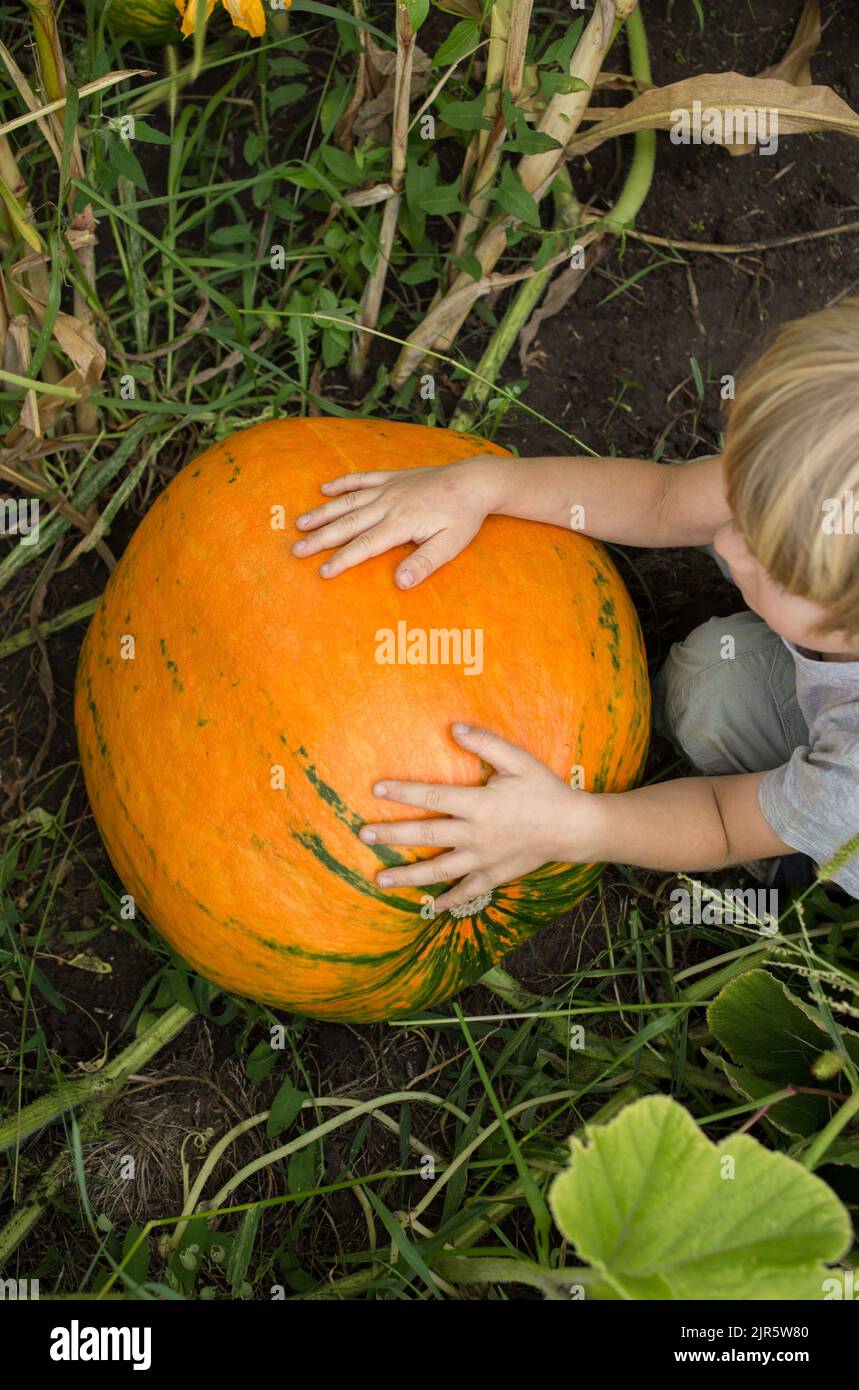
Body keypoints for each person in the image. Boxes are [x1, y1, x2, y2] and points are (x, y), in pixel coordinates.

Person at [292, 300, 859, 914]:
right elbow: (666, 501)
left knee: (708, 694)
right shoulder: (821, 472)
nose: (725, 540)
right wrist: (488, 484)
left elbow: (721, 819)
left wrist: (572, 825)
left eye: (765, 556)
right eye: (741, 497)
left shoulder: (850, 783)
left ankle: (795, 854)